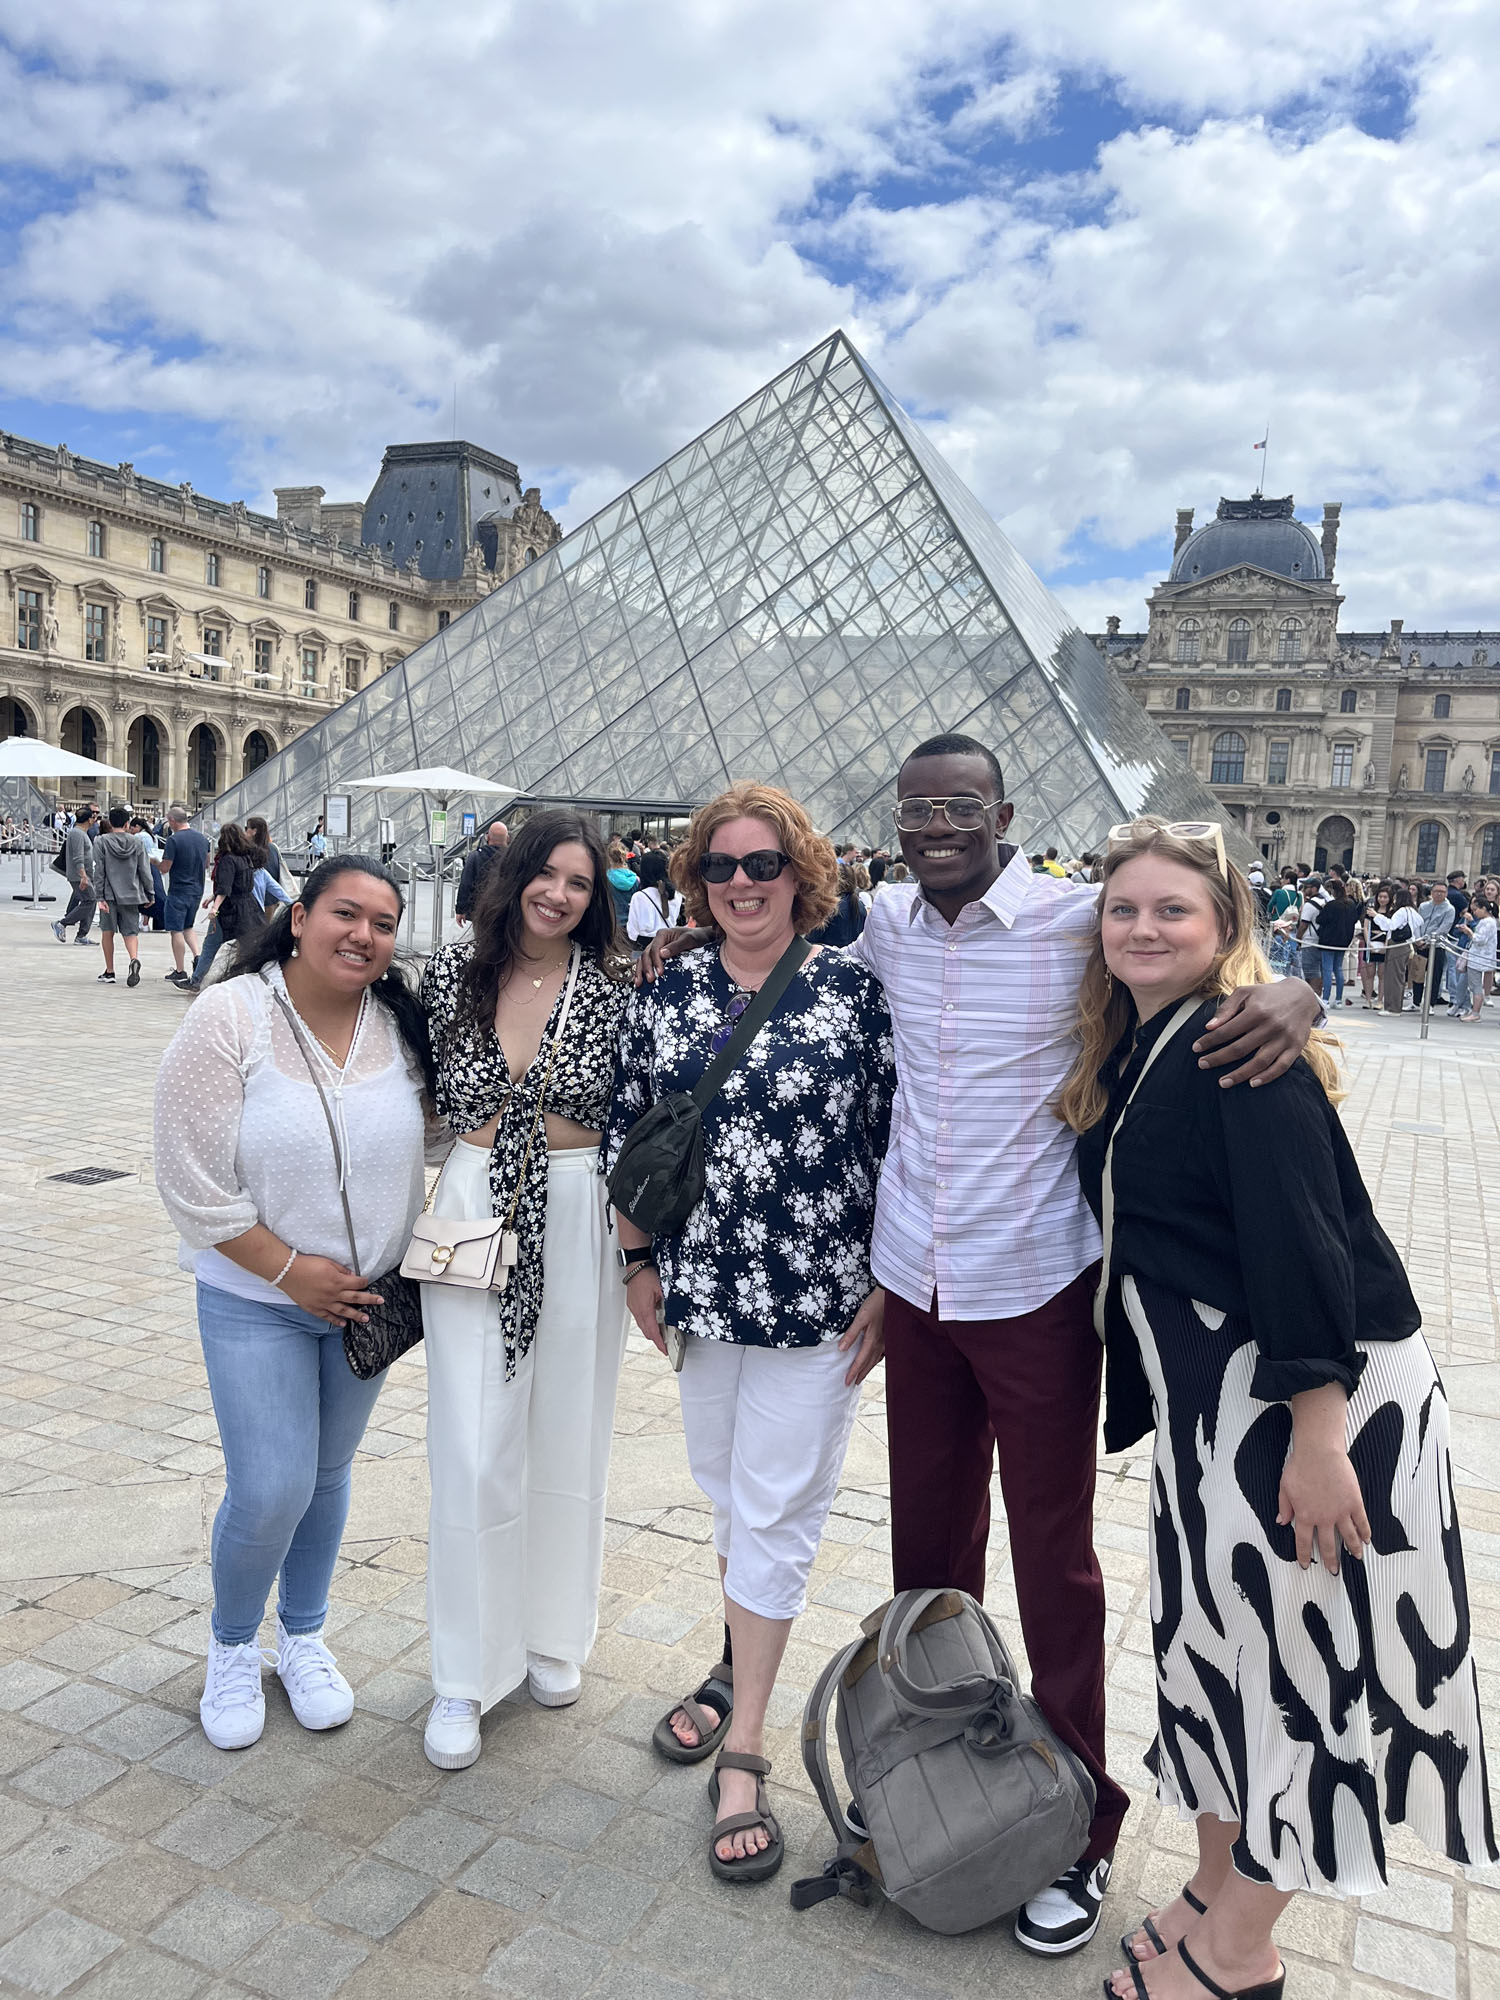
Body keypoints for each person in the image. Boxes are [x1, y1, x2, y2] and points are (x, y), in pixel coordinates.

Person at [638, 739, 1320, 1947]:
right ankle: (940, 1793)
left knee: (1056, 1563)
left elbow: (1187, 953)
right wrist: (691, 936)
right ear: (895, 826)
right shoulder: (883, 924)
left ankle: (1082, 1830)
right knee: (928, 1561)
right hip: (914, 1287)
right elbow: (766, 946)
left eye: (961, 806)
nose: (938, 825)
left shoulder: (1074, 919)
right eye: (916, 810)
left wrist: (1291, 989)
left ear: (1004, 813)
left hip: (1036, 1288)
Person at [1056, 820, 1495, 2000]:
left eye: (1173, 911)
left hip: (1303, 1405)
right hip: (1222, 1411)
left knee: (1299, 1669)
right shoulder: (1157, 1036)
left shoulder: (1239, 1050)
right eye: (1124, 910)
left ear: (1228, 928)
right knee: (1217, 1655)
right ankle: (1210, 1889)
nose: (1143, 927)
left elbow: (1305, 1249)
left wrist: (1316, 1431)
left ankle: (1242, 1949)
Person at [608, 782, 894, 1885]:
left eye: (761, 864)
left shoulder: (853, 993)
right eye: (718, 866)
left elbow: (897, 1141)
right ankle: (738, 1662)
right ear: (694, 879)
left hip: (818, 1301)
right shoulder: (669, 986)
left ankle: (747, 1745)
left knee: (776, 1507)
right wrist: (637, 1259)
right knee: (729, 1493)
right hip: (702, 1291)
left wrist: (894, 1283)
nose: (739, 884)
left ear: (801, 871)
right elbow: (641, 1129)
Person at [153, 857, 435, 1750]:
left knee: (325, 1476)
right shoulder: (228, 1015)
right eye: (345, 914)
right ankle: (233, 1643)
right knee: (271, 1484)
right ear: (300, 915)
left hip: (365, 1304)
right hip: (255, 1296)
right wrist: (287, 1270)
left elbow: (443, 1135)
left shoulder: (398, 1024)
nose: (363, 935)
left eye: (383, 924)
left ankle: (303, 1634)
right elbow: (190, 1181)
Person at [416, 811, 632, 1770]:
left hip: (580, 1208)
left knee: (568, 1430)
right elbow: (408, 1104)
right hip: (472, 1208)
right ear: (512, 877)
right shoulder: (445, 977)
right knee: (471, 1442)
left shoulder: (621, 987)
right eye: (545, 874)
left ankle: (552, 1634)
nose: (558, 893)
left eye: (578, 883)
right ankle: (463, 1671)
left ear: (596, 898)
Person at [191, 825, 263, 990]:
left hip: (229, 910)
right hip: (248, 907)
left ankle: (196, 980)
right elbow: (238, 884)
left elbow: (225, 888)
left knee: (210, 945)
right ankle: (248, 977)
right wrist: (213, 897)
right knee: (246, 944)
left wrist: (214, 907)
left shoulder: (227, 860)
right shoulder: (245, 858)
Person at [93, 805, 156, 987]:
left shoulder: (101, 841)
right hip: (132, 893)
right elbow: (144, 870)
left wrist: (99, 897)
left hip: (109, 894)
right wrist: (150, 893)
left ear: (110, 823)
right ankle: (134, 959)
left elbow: (99, 871)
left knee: (107, 932)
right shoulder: (137, 842)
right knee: (130, 932)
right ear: (128, 823)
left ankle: (110, 970)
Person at [160, 807, 210, 987]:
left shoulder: (173, 840)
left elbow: (165, 867)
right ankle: (197, 957)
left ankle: (180, 970)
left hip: (178, 889)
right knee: (188, 926)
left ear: (173, 820)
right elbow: (206, 863)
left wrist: (154, 862)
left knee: (176, 930)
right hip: (197, 889)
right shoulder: (202, 839)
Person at [1305, 876, 1357, 1008]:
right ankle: (1338, 999)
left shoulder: (1331, 905)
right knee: (1338, 969)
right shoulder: (1351, 904)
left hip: (1328, 941)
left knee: (1327, 970)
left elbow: (1320, 920)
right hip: (1344, 940)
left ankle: (1326, 998)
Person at [51, 804, 98, 945]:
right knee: (90, 900)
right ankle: (62, 923)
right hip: (79, 875)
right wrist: (83, 875)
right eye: (93, 816)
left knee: (90, 901)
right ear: (88, 819)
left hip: (85, 875)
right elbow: (78, 856)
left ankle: (82, 935)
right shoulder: (77, 834)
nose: (95, 819)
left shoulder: (81, 833)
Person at [626, 847, 682, 951]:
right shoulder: (676, 894)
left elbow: (632, 932)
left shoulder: (639, 897)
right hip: (669, 946)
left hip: (645, 947)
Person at [454, 819, 510, 924]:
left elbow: (466, 883)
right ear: (507, 839)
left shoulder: (475, 857)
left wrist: (460, 910)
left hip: (480, 910)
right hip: (505, 911)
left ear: (488, 837)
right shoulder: (513, 858)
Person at [1450, 895, 1495, 1021]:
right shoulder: (1488, 921)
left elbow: (1480, 939)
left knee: (1475, 986)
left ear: (1484, 908)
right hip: (1479, 957)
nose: (1474, 912)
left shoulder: (1487, 922)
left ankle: (1475, 1013)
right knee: (1474, 985)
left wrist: (1469, 932)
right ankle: (1474, 1012)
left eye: (1476, 910)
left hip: (1479, 958)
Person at [1411, 881, 1455, 1008]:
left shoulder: (1449, 909)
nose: (1439, 894)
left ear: (1446, 893)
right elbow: (1418, 923)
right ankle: (1416, 1002)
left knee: (1435, 975)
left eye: (1442, 892)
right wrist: (1418, 939)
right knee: (1418, 973)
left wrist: (1428, 941)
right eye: (1436, 891)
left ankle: (1430, 1003)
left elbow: (1444, 928)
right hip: (1420, 944)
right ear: (1431, 892)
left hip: (1436, 946)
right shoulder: (1424, 906)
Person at [1359, 882, 1394, 1008]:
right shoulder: (1370, 911)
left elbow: (1391, 928)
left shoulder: (1392, 912)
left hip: (1385, 944)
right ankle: (1368, 999)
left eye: (1385, 897)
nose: (1382, 899)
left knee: (1382, 974)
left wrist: (1386, 945)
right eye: (1380, 897)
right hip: (1371, 944)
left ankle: (1380, 1000)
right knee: (1369, 973)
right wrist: (1368, 943)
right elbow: (1366, 927)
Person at [605, 840, 638, 930]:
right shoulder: (635, 879)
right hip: (631, 923)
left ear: (608, 857)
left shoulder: (605, 879)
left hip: (611, 922)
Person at [245, 815, 285, 886]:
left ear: (254, 831)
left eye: (246, 828)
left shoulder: (250, 850)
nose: (245, 832)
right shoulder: (273, 848)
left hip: (259, 892)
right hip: (274, 890)